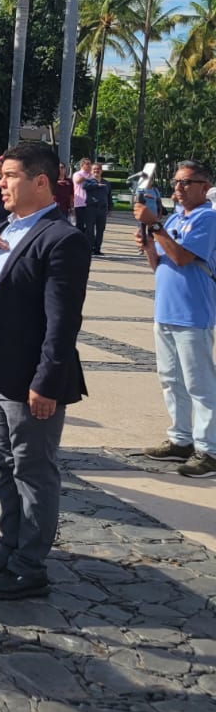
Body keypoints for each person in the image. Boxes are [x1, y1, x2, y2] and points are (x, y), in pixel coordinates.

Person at [0, 142, 91, 599]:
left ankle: (30, 567)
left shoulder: (61, 238)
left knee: (33, 470)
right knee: (5, 464)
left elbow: (63, 321)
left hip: (30, 378)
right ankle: (9, 549)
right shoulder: (3, 225)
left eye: (8, 176)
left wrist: (46, 382)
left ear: (40, 181)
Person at [135, 160, 216, 479]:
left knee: (199, 383)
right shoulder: (176, 218)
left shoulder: (208, 218)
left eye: (186, 182)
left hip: (193, 312)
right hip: (166, 309)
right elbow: (162, 265)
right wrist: (149, 247)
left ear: (205, 186)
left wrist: (155, 226)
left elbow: (183, 257)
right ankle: (181, 439)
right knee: (171, 379)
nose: (178, 188)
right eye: (176, 182)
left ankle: (209, 450)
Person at [85, 163, 113, 255]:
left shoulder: (107, 183)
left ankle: (97, 248)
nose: (96, 171)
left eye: (98, 169)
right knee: (90, 229)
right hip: (91, 209)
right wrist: (97, 185)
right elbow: (85, 187)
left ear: (101, 171)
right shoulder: (88, 181)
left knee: (100, 230)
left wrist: (110, 209)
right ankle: (90, 247)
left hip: (102, 209)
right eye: (94, 169)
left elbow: (109, 196)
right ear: (91, 171)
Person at [72, 157, 96, 243]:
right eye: (87, 164)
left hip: (90, 203)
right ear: (82, 165)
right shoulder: (77, 174)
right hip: (80, 203)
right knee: (80, 224)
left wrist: (90, 176)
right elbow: (78, 180)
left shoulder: (92, 175)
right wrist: (88, 177)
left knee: (90, 225)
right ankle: (78, 242)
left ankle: (88, 243)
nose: (90, 166)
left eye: (90, 164)